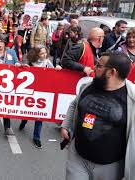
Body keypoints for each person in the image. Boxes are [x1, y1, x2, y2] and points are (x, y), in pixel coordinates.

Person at [60, 51, 135, 180]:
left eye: (99, 66)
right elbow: (74, 104)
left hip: (110, 167)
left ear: (112, 72)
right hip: (77, 158)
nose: (94, 68)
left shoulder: (132, 98)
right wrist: (66, 125)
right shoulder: (88, 86)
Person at [19, 45, 61, 148]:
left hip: (43, 92)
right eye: (42, 53)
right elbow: (23, 72)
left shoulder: (47, 62)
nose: (45, 55)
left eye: (45, 53)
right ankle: (24, 121)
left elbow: (54, 70)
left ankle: (36, 137)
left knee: (39, 116)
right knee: (28, 111)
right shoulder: (30, 63)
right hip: (31, 92)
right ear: (36, 54)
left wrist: (58, 68)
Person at [0, 33, 21, 135]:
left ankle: (7, 127)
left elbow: (16, 63)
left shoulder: (11, 52)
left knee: (6, 104)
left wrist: (18, 64)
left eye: (1, 41)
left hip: (7, 84)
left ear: (5, 42)